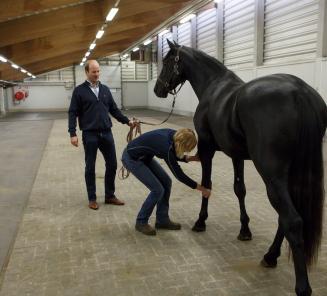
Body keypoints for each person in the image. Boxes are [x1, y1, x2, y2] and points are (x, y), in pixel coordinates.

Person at [68, 59, 135, 210]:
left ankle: (109, 196)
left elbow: (114, 109)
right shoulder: (79, 91)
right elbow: (72, 113)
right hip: (89, 134)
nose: (97, 74)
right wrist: (72, 133)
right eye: (94, 72)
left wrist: (127, 121)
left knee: (112, 164)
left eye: (98, 71)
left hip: (106, 133)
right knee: (90, 167)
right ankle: (92, 198)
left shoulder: (105, 89)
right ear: (86, 72)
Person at [121, 128, 211, 235]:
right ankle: (141, 221)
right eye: (187, 148)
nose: (187, 151)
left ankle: (162, 220)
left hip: (145, 157)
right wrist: (201, 189)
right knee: (157, 189)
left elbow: (174, 152)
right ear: (182, 143)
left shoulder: (175, 135)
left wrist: (190, 158)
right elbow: (179, 175)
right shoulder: (166, 147)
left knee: (166, 182)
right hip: (132, 158)